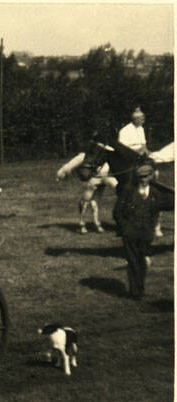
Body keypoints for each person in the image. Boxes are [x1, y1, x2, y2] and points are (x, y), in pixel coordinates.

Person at [112, 165, 167, 300]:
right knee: (132, 260)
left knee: (142, 260)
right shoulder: (128, 191)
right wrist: (125, 227)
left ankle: (140, 288)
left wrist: (152, 229)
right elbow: (117, 211)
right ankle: (134, 291)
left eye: (146, 177)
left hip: (146, 233)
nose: (143, 180)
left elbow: (155, 213)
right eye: (140, 177)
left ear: (151, 177)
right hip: (130, 232)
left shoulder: (155, 193)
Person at [56, 130, 119, 234]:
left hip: (103, 176)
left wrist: (61, 172)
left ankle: (94, 222)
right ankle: (83, 222)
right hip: (94, 178)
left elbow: (73, 162)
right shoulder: (93, 153)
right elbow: (75, 162)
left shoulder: (101, 150)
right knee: (88, 201)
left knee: (93, 201)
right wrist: (62, 172)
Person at [118, 106, 162, 237]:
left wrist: (149, 153)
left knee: (156, 168)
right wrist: (138, 151)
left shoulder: (141, 129)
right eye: (141, 119)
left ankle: (153, 189)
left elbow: (144, 145)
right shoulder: (125, 130)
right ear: (135, 119)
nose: (143, 120)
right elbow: (122, 149)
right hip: (130, 157)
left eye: (143, 118)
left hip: (142, 156)